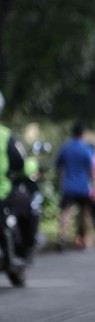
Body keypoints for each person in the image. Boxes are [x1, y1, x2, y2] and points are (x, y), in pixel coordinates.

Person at [0, 91, 39, 272]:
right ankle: (25, 248)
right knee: (30, 207)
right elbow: (20, 164)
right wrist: (34, 164)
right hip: (3, 194)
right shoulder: (5, 136)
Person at [55, 122, 94, 250]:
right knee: (84, 214)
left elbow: (58, 168)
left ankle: (62, 237)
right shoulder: (85, 149)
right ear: (83, 133)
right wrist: (93, 184)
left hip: (68, 186)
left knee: (66, 212)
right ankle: (82, 239)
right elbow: (90, 169)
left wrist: (60, 181)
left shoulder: (65, 148)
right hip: (83, 187)